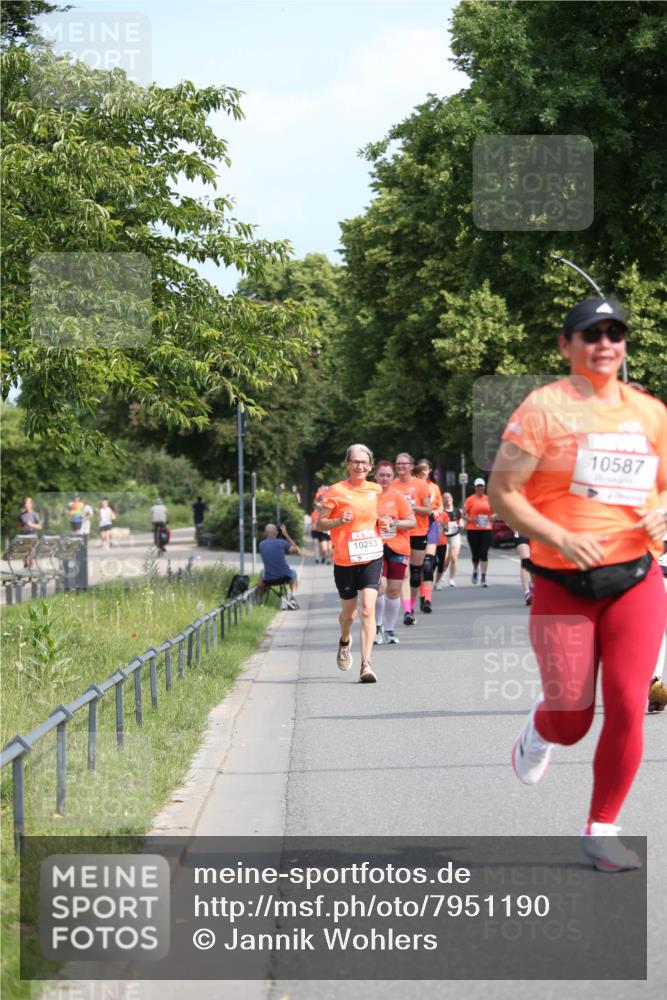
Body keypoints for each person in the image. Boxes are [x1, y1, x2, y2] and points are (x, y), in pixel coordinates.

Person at [488, 296, 667, 871]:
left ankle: (602, 827)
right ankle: (541, 730)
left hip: (635, 577)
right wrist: (560, 539)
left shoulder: (650, 414)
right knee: (572, 721)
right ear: (566, 347)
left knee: (628, 702)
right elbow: (504, 492)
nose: (605, 343)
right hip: (562, 582)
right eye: (592, 334)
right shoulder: (543, 409)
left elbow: (664, 487)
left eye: (615, 333)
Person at [317, 444, 384, 683]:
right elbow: (320, 524)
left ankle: (366, 664)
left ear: (371, 465)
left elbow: (378, 518)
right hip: (345, 559)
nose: (360, 466)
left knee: (368, 608)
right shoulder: (335, 491)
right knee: (349, 615)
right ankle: (345, 639)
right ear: (347, 464)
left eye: (364, 462)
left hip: (372, 556)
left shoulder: (376, 490)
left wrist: (383, 524)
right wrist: (336, 521)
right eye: (355, 462)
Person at [374, 460, 416, 644]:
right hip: (376, 547)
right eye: (381, 475)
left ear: (393, 477)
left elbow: (412, 522)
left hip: (398, 547)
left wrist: (394, 523)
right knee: (380, 586)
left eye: (388, 475)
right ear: (375, 476)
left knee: (394, 590)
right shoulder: (370, 496)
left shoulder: (398, 497)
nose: (384, 478)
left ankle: (390, 629)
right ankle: (377, 627)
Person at [391, 453, 432, 625]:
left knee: (416, 574)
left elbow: (428, 510)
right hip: (400, 533)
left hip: (418, 532)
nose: (400, 466)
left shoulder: (420, 484)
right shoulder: (391, 486)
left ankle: (412, 606)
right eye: (398, 463)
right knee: (405, 572)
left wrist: (412, 507)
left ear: (411, 465)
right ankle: (407, 610)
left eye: (404, 463)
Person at [414, 460, 443, 613]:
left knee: (428, 564)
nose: (427, 471)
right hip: (417, 526)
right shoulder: (413, 486)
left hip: (431, 524)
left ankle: (427, 600)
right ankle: (420, 593)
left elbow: (440, 505)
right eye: (424, 469)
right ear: (418, 471)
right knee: (417, 567)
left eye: (428, 469)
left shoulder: (434, 487)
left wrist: (438, 511)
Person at [258, 522, 300, 607]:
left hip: (268, 578)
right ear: (276, 532)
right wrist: (286, 534)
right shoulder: (281, 542)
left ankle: (259, 600)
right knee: (294, 573)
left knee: (262, 573)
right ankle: (292, 598)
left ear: (265, 533)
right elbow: (297, 550)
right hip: (283, 577)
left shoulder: (261, 544)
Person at [464, 478, 493, 586]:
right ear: (475, 487)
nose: (480, 488)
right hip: (473, 530)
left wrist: (492, 517)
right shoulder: (470, 500)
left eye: (481, 486)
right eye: (478, 486)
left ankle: (484, 577)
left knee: (484, 553)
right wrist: (471, 520)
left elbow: (494, 512)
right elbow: (463, 514)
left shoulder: (489, 499)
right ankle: (475, 570)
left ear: (484, 487)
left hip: (486, 529)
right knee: (475, 555)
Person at [435, 492, 464, 588]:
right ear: (442, 500)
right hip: (444, 537)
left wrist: (461, 524)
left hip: (455, 536)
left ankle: (451, 579)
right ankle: (443, 571)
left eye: (449, 497)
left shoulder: (457, 511)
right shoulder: (441, 512)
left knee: (454, 557)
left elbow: (461, 521)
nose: (447, 499)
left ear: (452, 499)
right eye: (445, 498)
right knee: (445, 559)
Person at [515, 532, 534, 605]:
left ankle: (533, 587)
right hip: (521, 532)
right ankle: (527, 592)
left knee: (534, 562)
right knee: (525, 559)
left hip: (536, 532)